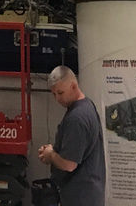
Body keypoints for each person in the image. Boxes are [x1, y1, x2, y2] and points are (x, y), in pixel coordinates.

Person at [37, 65, 105, 206]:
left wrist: (50, 155)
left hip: (80, 197)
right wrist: (54, 149)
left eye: (61, 93)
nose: (57, 99)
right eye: (54, 94)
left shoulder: (76, 118)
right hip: (89, 193)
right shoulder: (87, 105)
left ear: (74, 86)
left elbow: (69, 164)